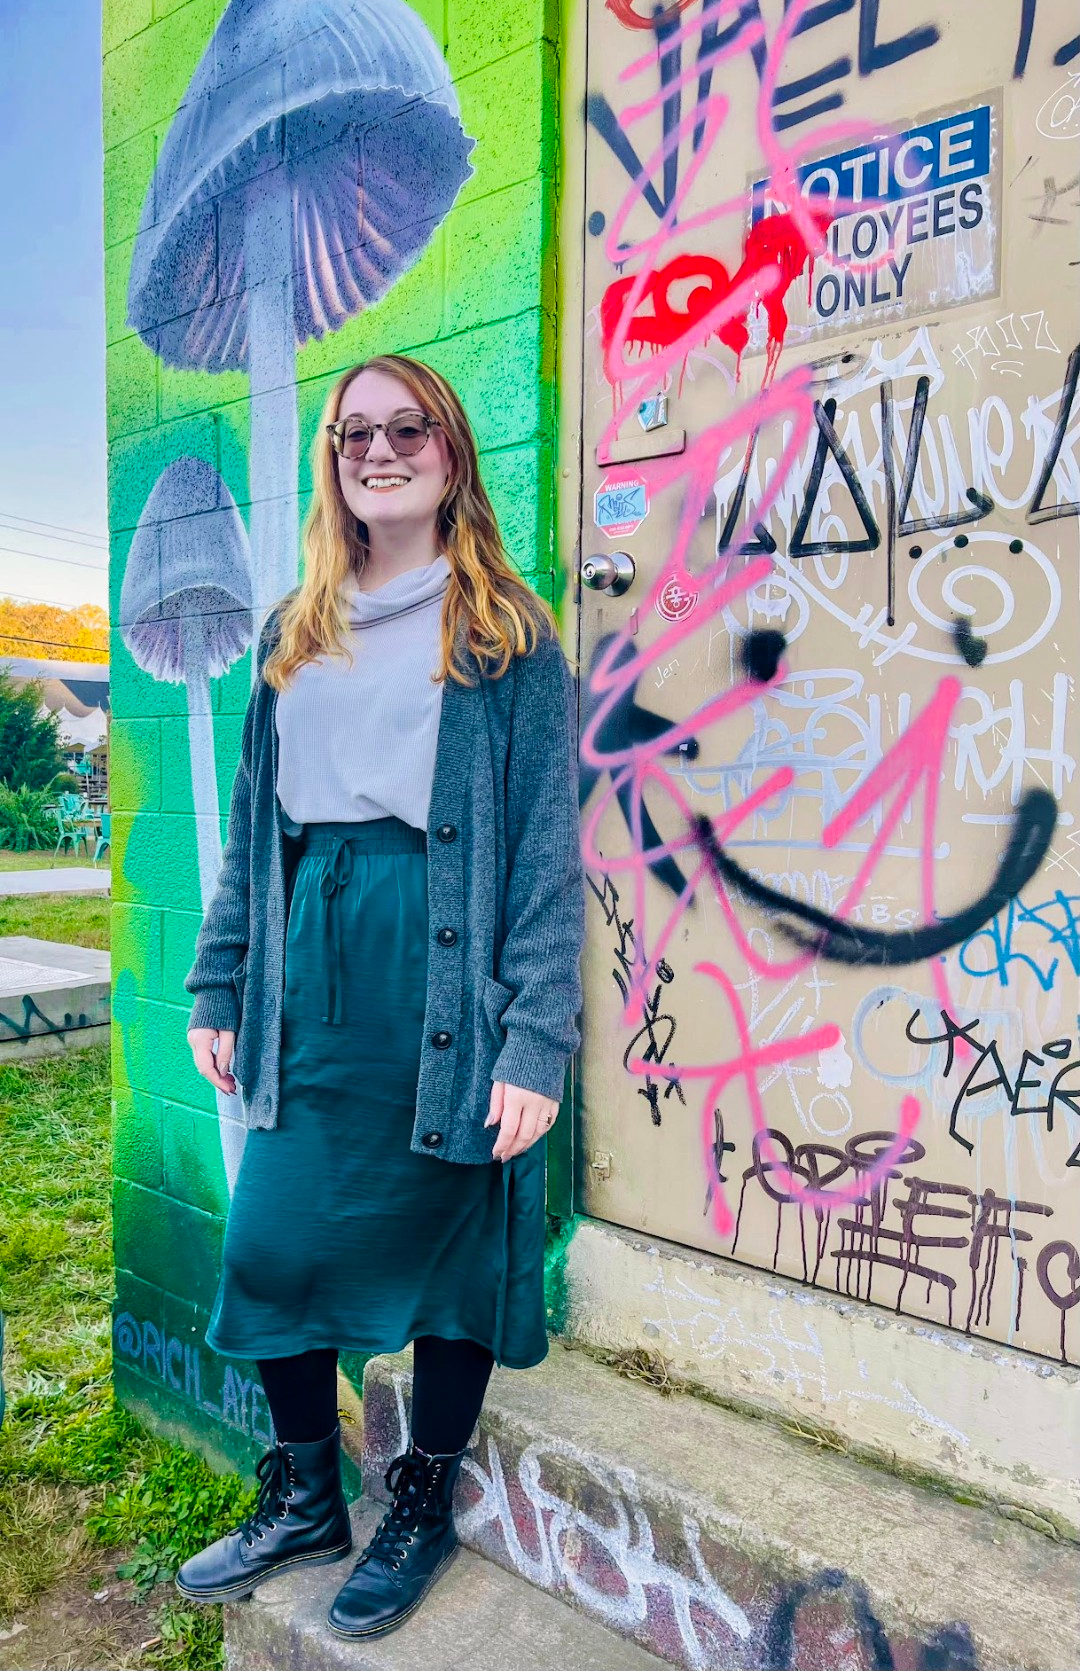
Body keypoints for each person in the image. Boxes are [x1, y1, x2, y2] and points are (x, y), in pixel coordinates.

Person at [173, 353, 586, 1640]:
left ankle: (419, 1499)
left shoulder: (505, 635)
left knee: (455, 1257)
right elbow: (256, 836)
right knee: (274, 1242)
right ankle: (306, 1495)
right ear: (334, 462)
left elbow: (542, 857)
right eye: (357, 432)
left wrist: (534, 1037)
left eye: (409, 427)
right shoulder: (299, 629)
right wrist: (223, 978)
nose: (381, 448)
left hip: (445, 977)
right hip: (314, 974)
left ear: (451, 451)